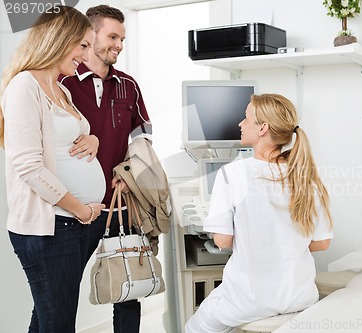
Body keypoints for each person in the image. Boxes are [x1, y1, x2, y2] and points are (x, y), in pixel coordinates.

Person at [185, 93, 334, 332]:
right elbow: (322, 242)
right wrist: (283, 244)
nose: (240, 124)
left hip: (249, 301)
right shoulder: (306, 177)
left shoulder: (232, 173)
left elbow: (222, 241)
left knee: (193, 328)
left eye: (246, 118)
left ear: (263, 128)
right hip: (300, 298)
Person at [0, 6, 106, 333]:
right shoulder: (24, 87)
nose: (87, 56)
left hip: (75, 223)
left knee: (49, 317)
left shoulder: (61, 89)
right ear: (59, 39)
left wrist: (93, 140)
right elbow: (29, 166)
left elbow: (68, 140)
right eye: (83, 45)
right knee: (58, 323)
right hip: (51, 228)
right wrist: (80, 210)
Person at [59, 5, 152, 333]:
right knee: (61, 295)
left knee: (128, 289)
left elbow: (142, 141)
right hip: (75, 209)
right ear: (91, 34)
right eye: (112, 36)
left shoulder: (129, 85)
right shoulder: (61, 81)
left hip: (120, 206)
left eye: (123, 38)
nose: (119, 45)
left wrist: (131, 175)